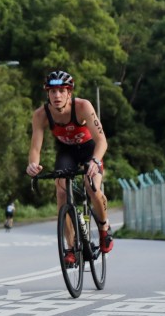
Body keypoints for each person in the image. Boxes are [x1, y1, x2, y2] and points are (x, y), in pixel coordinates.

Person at [26, 70, 113, 263]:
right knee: (61, 192)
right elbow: (35, 147)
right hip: (67, 152)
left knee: (92, 187)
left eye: (61, 91)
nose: (57, 96)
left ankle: (104, 228)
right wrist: (33, 165)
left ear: (69, 93)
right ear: (47, 94)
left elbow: (102, 141)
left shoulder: (83, 107)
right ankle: (71, 247)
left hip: (90, 150)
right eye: (52, 91)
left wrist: (96, 161)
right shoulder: (41, 115)